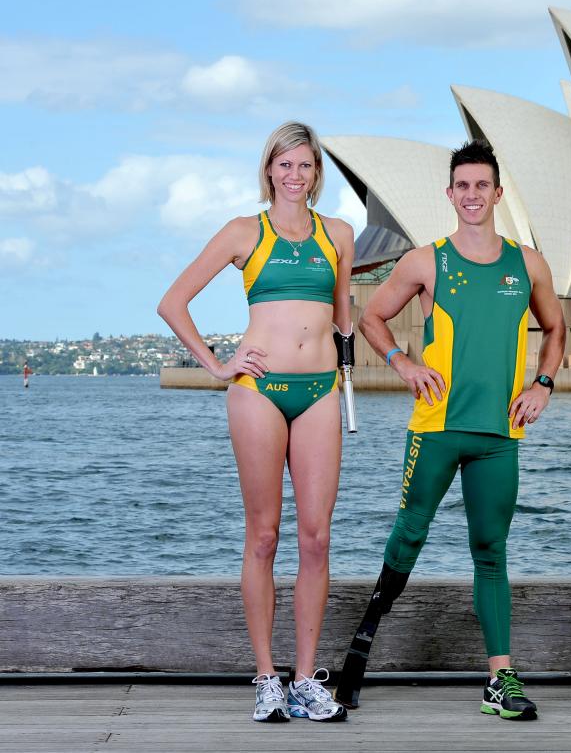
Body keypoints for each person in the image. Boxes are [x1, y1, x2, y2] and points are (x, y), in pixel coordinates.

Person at [338, 140, 566, 721]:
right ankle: (362, 643)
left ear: (497, 192)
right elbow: (371, 316)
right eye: (462, 186)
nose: (471, 195)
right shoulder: (425, 260)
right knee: (409, 534)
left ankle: (500, 679)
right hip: (436, 429)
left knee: (491, 552)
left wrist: (542, 383)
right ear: (450, 193)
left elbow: (556, 329)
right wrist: (402, 363)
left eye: (481, 185)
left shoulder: (528, 262)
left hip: (498, 435)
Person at [157, 121, 354, 723]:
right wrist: (219, 364)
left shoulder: (339, 234)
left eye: (306, 166)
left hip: (320, 390)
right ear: (269, 169)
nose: (296, 175)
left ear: (317, 173)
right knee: (264, 535)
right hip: (257, 391)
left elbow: (343, 316)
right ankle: (267, 675)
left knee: (316, 538)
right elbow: (173, 301)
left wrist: (353, 368)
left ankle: (305, 679)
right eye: (285, 164)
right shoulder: (245, 231)